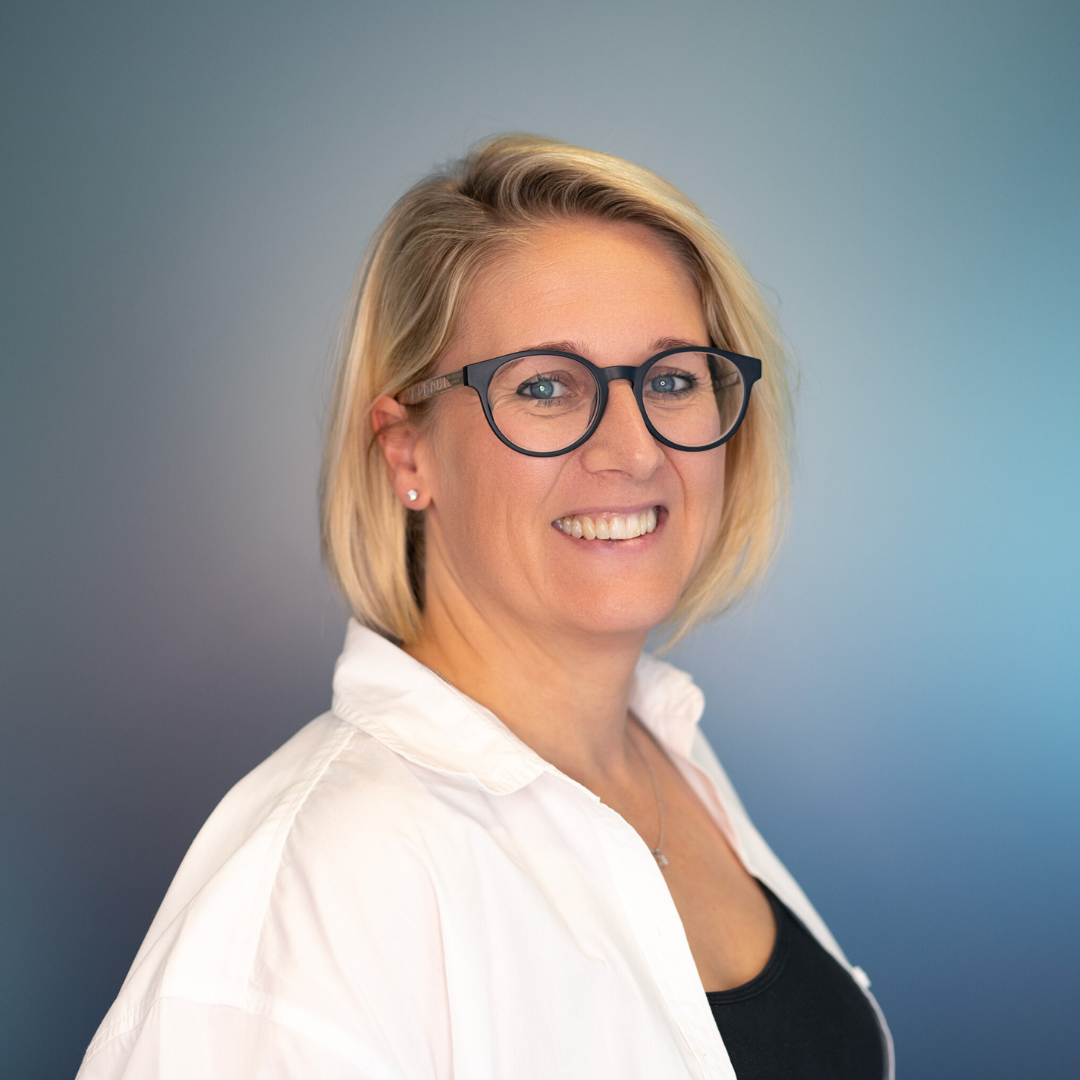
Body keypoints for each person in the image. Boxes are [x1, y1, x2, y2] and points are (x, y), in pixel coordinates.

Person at [78, 135, 892, 1079]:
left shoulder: (671, 755)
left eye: (671, 380)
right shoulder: (326, 877)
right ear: (407, 453)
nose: (633, 451)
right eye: (545, 387)